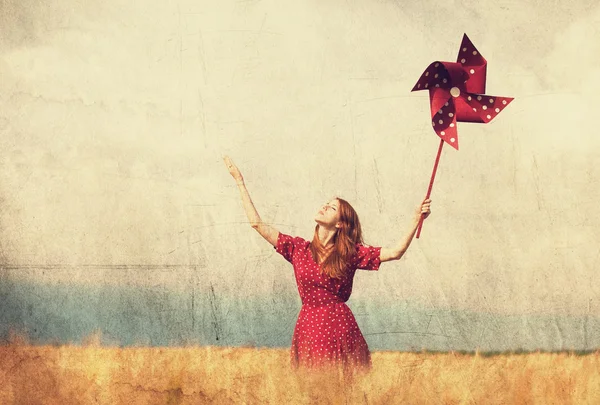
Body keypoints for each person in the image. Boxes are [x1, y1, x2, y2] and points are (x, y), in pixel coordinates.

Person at [223, 156, 431, 374]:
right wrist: (239, 181)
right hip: (307, 327)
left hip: (338, 327)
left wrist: (417, 217)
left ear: (340, 223)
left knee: (339, 389)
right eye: (326, 204)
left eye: (331, 208)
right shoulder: (297, 248)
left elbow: (396, 252)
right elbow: (257, 224)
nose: (324, 207)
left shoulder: (351, 253)